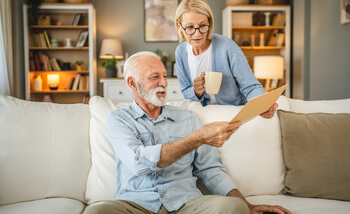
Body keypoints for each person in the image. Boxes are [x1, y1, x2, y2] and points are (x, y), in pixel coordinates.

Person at [83, 52, 291, 214]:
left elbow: (211, 170)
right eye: (154, 77)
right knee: (95, 212)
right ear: (131, 83)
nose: (163, 83)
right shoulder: (119, 119)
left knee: (235, 209)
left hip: (186, 204)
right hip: (136, 205)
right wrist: (197, 138)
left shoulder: (187, 119)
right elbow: (138, 163)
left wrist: (247, 205)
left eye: (164, 76)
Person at [174, 0, 277, 118]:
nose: (197, 34)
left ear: (209, 23)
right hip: (202, 116)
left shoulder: (227, 47)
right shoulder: (180, 52)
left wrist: (263, 105)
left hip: (231, 113)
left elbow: (250, 86)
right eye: (190, 27)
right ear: (179, 26)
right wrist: (196, 91)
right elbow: (186, 91)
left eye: (202, 26)